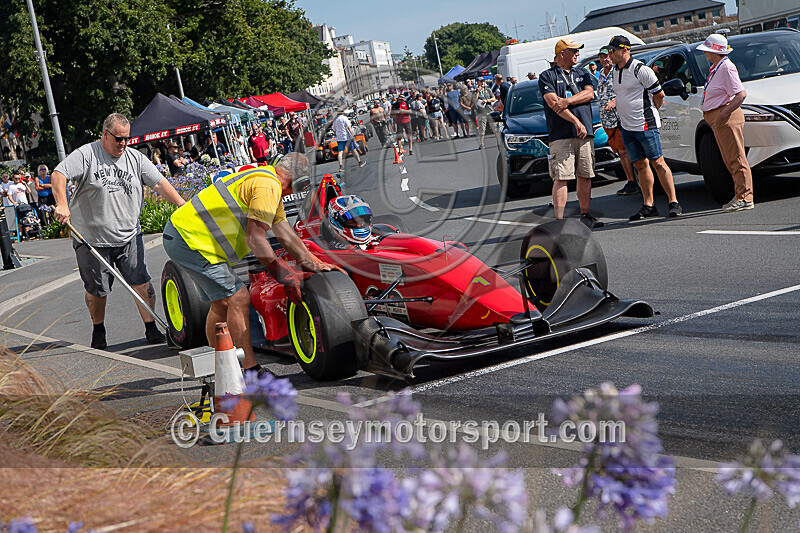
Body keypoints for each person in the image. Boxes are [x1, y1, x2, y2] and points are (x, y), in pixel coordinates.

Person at [163, 153, 338, 373]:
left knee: (221, 303)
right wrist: (285, 276)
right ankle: (250, 369)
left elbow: (286, 235)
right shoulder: (268, 187)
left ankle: (217, 365)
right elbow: (255, 239)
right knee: (239, 297)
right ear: (300, 183)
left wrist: (313, 262)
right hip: (189, 240)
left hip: (184, 236)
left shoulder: (267, 182)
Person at [51, 112, 186, 349]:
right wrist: (62, 203)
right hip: (91, 238)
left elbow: (159, 183)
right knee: (97, 289)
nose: (123, 143)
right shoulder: (87, 154)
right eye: (118, 139)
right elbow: (58, 174)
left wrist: (182, 205)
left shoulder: (135, 158)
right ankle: (98, 329)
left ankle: (151, 327)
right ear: (105, 134)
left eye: (127, 138)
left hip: (128, 234)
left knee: (141, 280)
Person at [607, 35, 682, 220]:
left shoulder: (641, 69)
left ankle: (674, 202)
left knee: (658, 162)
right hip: (626, 127)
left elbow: (659, 95)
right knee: (640, 164)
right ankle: (648, 205)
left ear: (625, 49)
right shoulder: (614, 72)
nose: (610, 54)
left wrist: (652, 113)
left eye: (613, 50)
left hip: (645, 124)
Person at [539, 38, 603, 229]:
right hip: (561, 134)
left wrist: (567, 101)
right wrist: (576, 121)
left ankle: (586, 214)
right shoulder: (547, 76)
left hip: (584, 134)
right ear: (561, 54)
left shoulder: (582, 72)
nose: (577, 54)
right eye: (573, 50)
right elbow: (553, 104)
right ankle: (559, 221)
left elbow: (589, 93)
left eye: (577, 50)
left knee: (585, 174)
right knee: (562, 176)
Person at [698, 33, 753, 212]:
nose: (705, 54)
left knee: (736, 158)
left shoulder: (726, 67)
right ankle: (741, 195)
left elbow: (741, 94)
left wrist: (725, 113)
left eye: (707, 50)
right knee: (731, 159)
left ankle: (745, 197)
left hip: (726, 118)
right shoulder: (718, 67)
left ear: (715, 51)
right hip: (721, 118)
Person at [596, 46, 638, 196]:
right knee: (619, 152)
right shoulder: (600, 74)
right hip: (608, 120)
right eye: (601, 57)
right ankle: (630, 179)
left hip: (621, 116)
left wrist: (614, 101)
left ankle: (632, 180)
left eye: (606, 56)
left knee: (624, 150)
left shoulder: (619, 71)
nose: (604, 60)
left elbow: (627, 91)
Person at [474, 78, 496, 149]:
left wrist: (487, 100)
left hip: (489, 110)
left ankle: (499, 141)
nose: (483, 83)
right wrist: (478, 92)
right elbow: (474, 101)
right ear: (478, 82)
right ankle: (482, 143)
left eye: (483, 81)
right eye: (481, 81)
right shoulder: (475, 91)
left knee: (494, 127)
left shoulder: (488, 90)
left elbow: (493, 98)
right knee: (482, 128)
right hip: (481, 112)